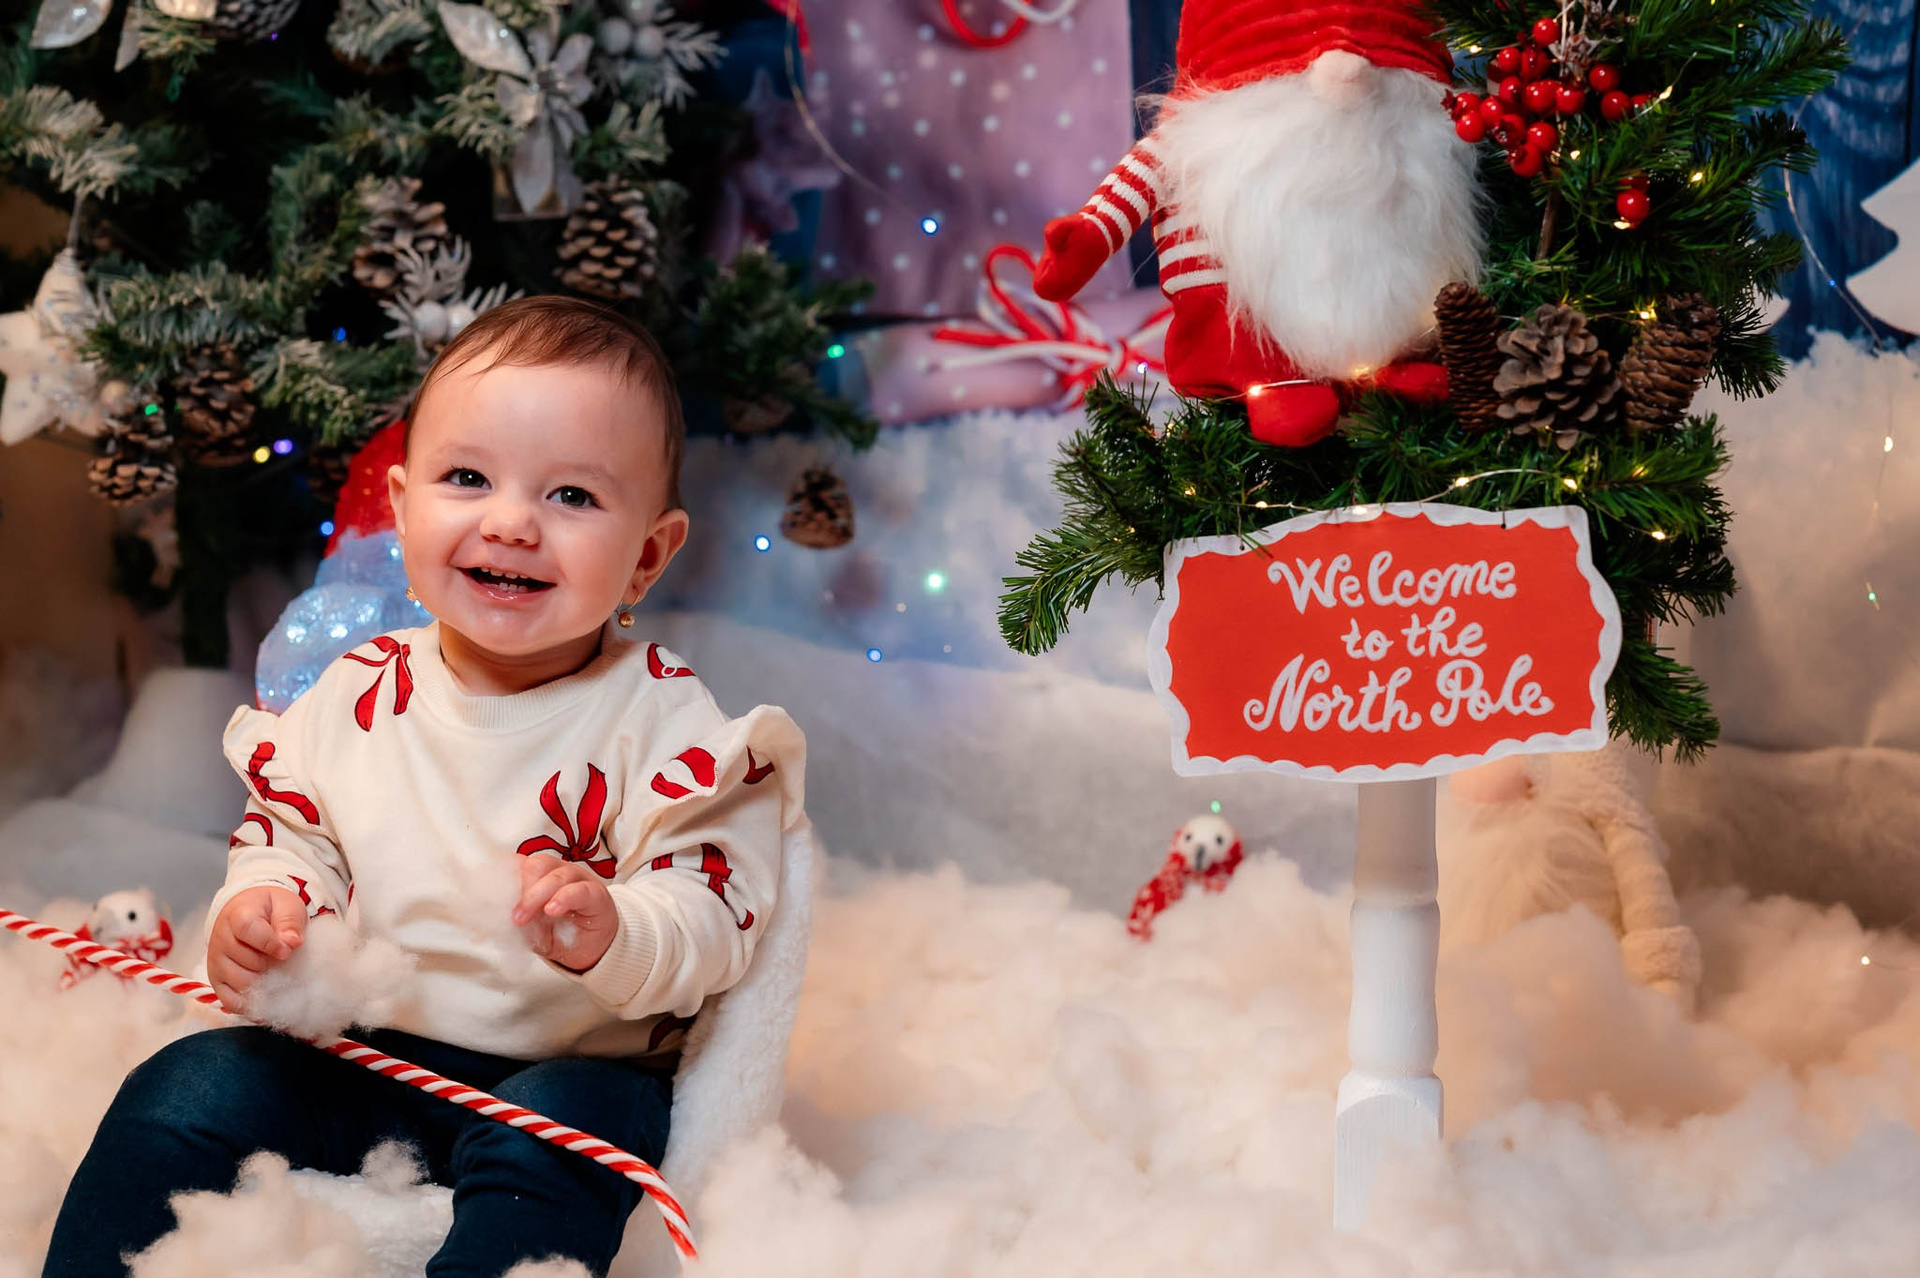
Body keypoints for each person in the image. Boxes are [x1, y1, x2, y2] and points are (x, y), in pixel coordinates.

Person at [43, 296, 807, 1278]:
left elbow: (714, 911)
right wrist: (268, 909)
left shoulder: (666, 724)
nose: (511, 522)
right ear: (403, 509)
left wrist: (618, 928)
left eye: (572, 495)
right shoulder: (357, 692)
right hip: (367, 1056)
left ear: (647, 557)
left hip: (570, 1070)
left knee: (565, 1149)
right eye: (468, 478)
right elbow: (293, 835)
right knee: (185, 1086)